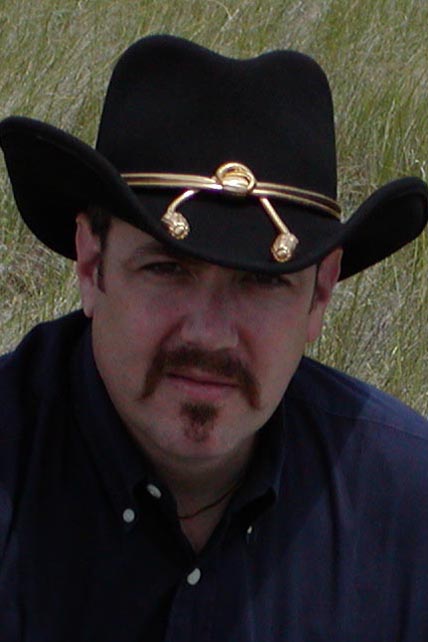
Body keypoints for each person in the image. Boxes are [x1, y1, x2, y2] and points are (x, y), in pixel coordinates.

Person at [1, 34, 428, 642]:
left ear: (320, 295)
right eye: (167, 269)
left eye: (262, 281)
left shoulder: (409, 507)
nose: (209, 333)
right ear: (92, 266)